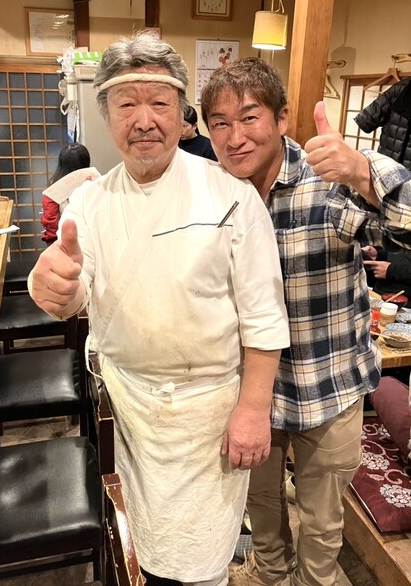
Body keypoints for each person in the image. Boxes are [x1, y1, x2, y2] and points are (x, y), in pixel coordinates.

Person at [28, 35, 290, 586]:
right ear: (106, 115)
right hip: (128, 408)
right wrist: (53, 287)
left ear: (181, 112)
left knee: (203, 561)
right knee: (137, 548)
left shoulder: (231, 195)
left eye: (159, 103)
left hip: (209, 414)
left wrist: (252, 409)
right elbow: (75, 288)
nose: (144, 120)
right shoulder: (90, 202)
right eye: (127, 104)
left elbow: (264, 317)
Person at [200, 56, 411, 586]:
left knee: (321, 519)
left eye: (250, 117)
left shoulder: (330, 173)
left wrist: (363, 174)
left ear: (281, 118)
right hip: (248, 394)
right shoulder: (211, 192)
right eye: (220, 123)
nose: (235, 137)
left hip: (329, 387)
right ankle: (270, 573)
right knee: (259, 503)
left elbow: (404, 217)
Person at [40, 142, 91, 246]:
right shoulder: (94, 183)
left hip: (64, 241)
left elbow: (50, 221)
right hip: (84, 241)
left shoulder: (53, 188)